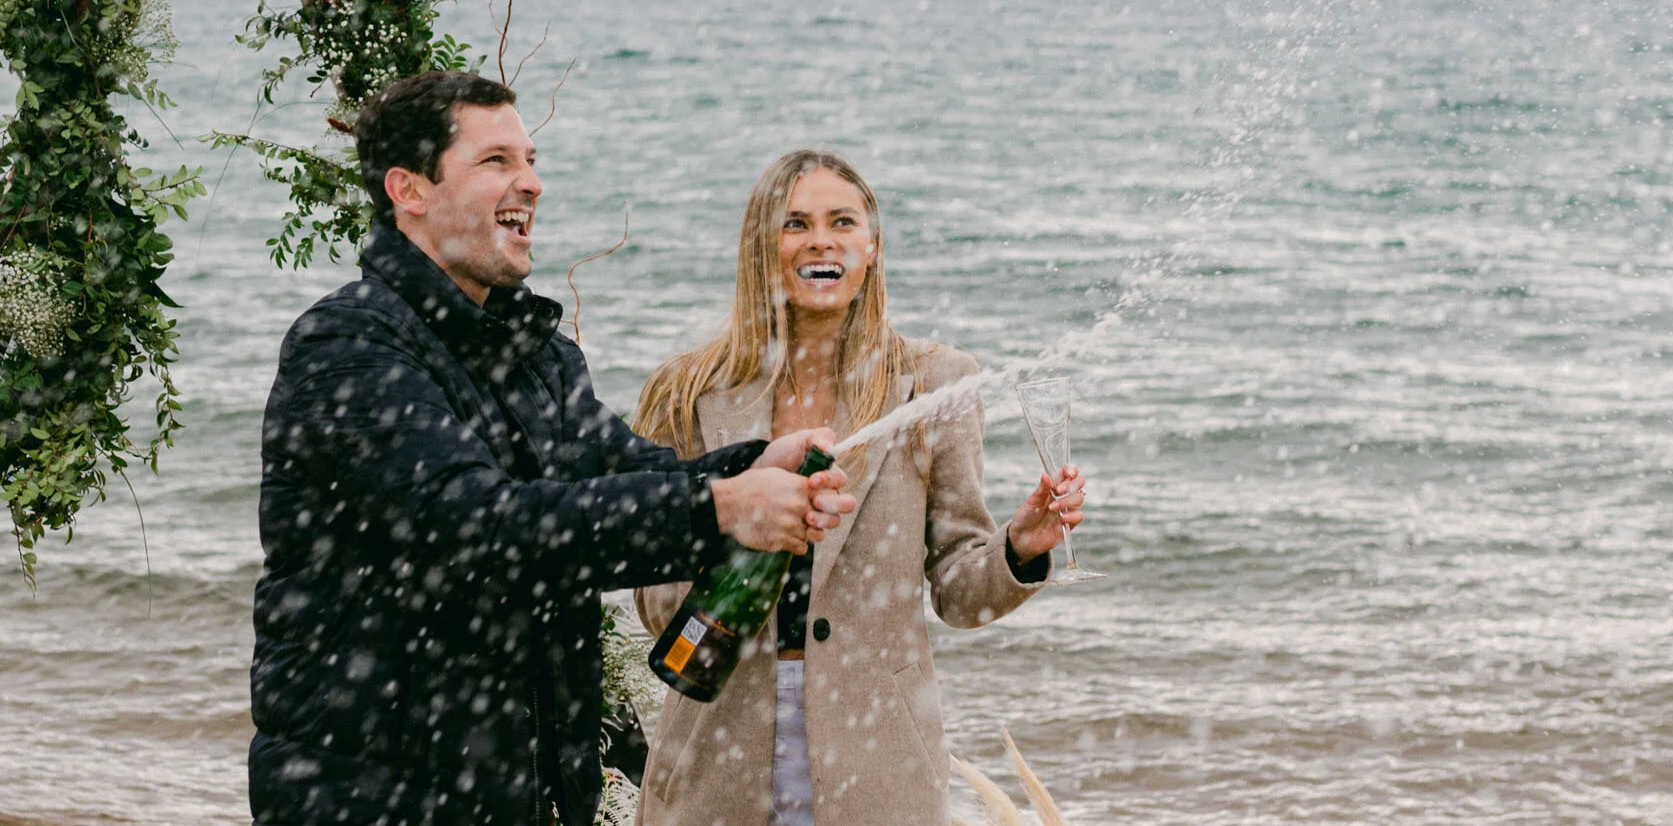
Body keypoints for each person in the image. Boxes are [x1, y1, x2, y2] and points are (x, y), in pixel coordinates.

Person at [249, 72, 857, 826]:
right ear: (409, 191)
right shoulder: (347, 347)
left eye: (531, 160)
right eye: (497, 161)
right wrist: (720, 510)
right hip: (370, 794)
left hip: (525, 795)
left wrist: (750, 469)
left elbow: (636, 478)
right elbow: (477, 527)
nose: (531, 183)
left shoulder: (536, 357)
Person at [631, 150, 1087, 826]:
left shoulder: (936, 385)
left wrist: (1021, 545)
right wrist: (739, 533)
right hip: (714, 750)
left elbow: (960, 593)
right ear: (762, 248)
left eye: (842, 221)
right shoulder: (687, 391)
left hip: (879, 760)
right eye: (795, 224)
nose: (821, 240)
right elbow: (654, 597)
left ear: (870, 247)